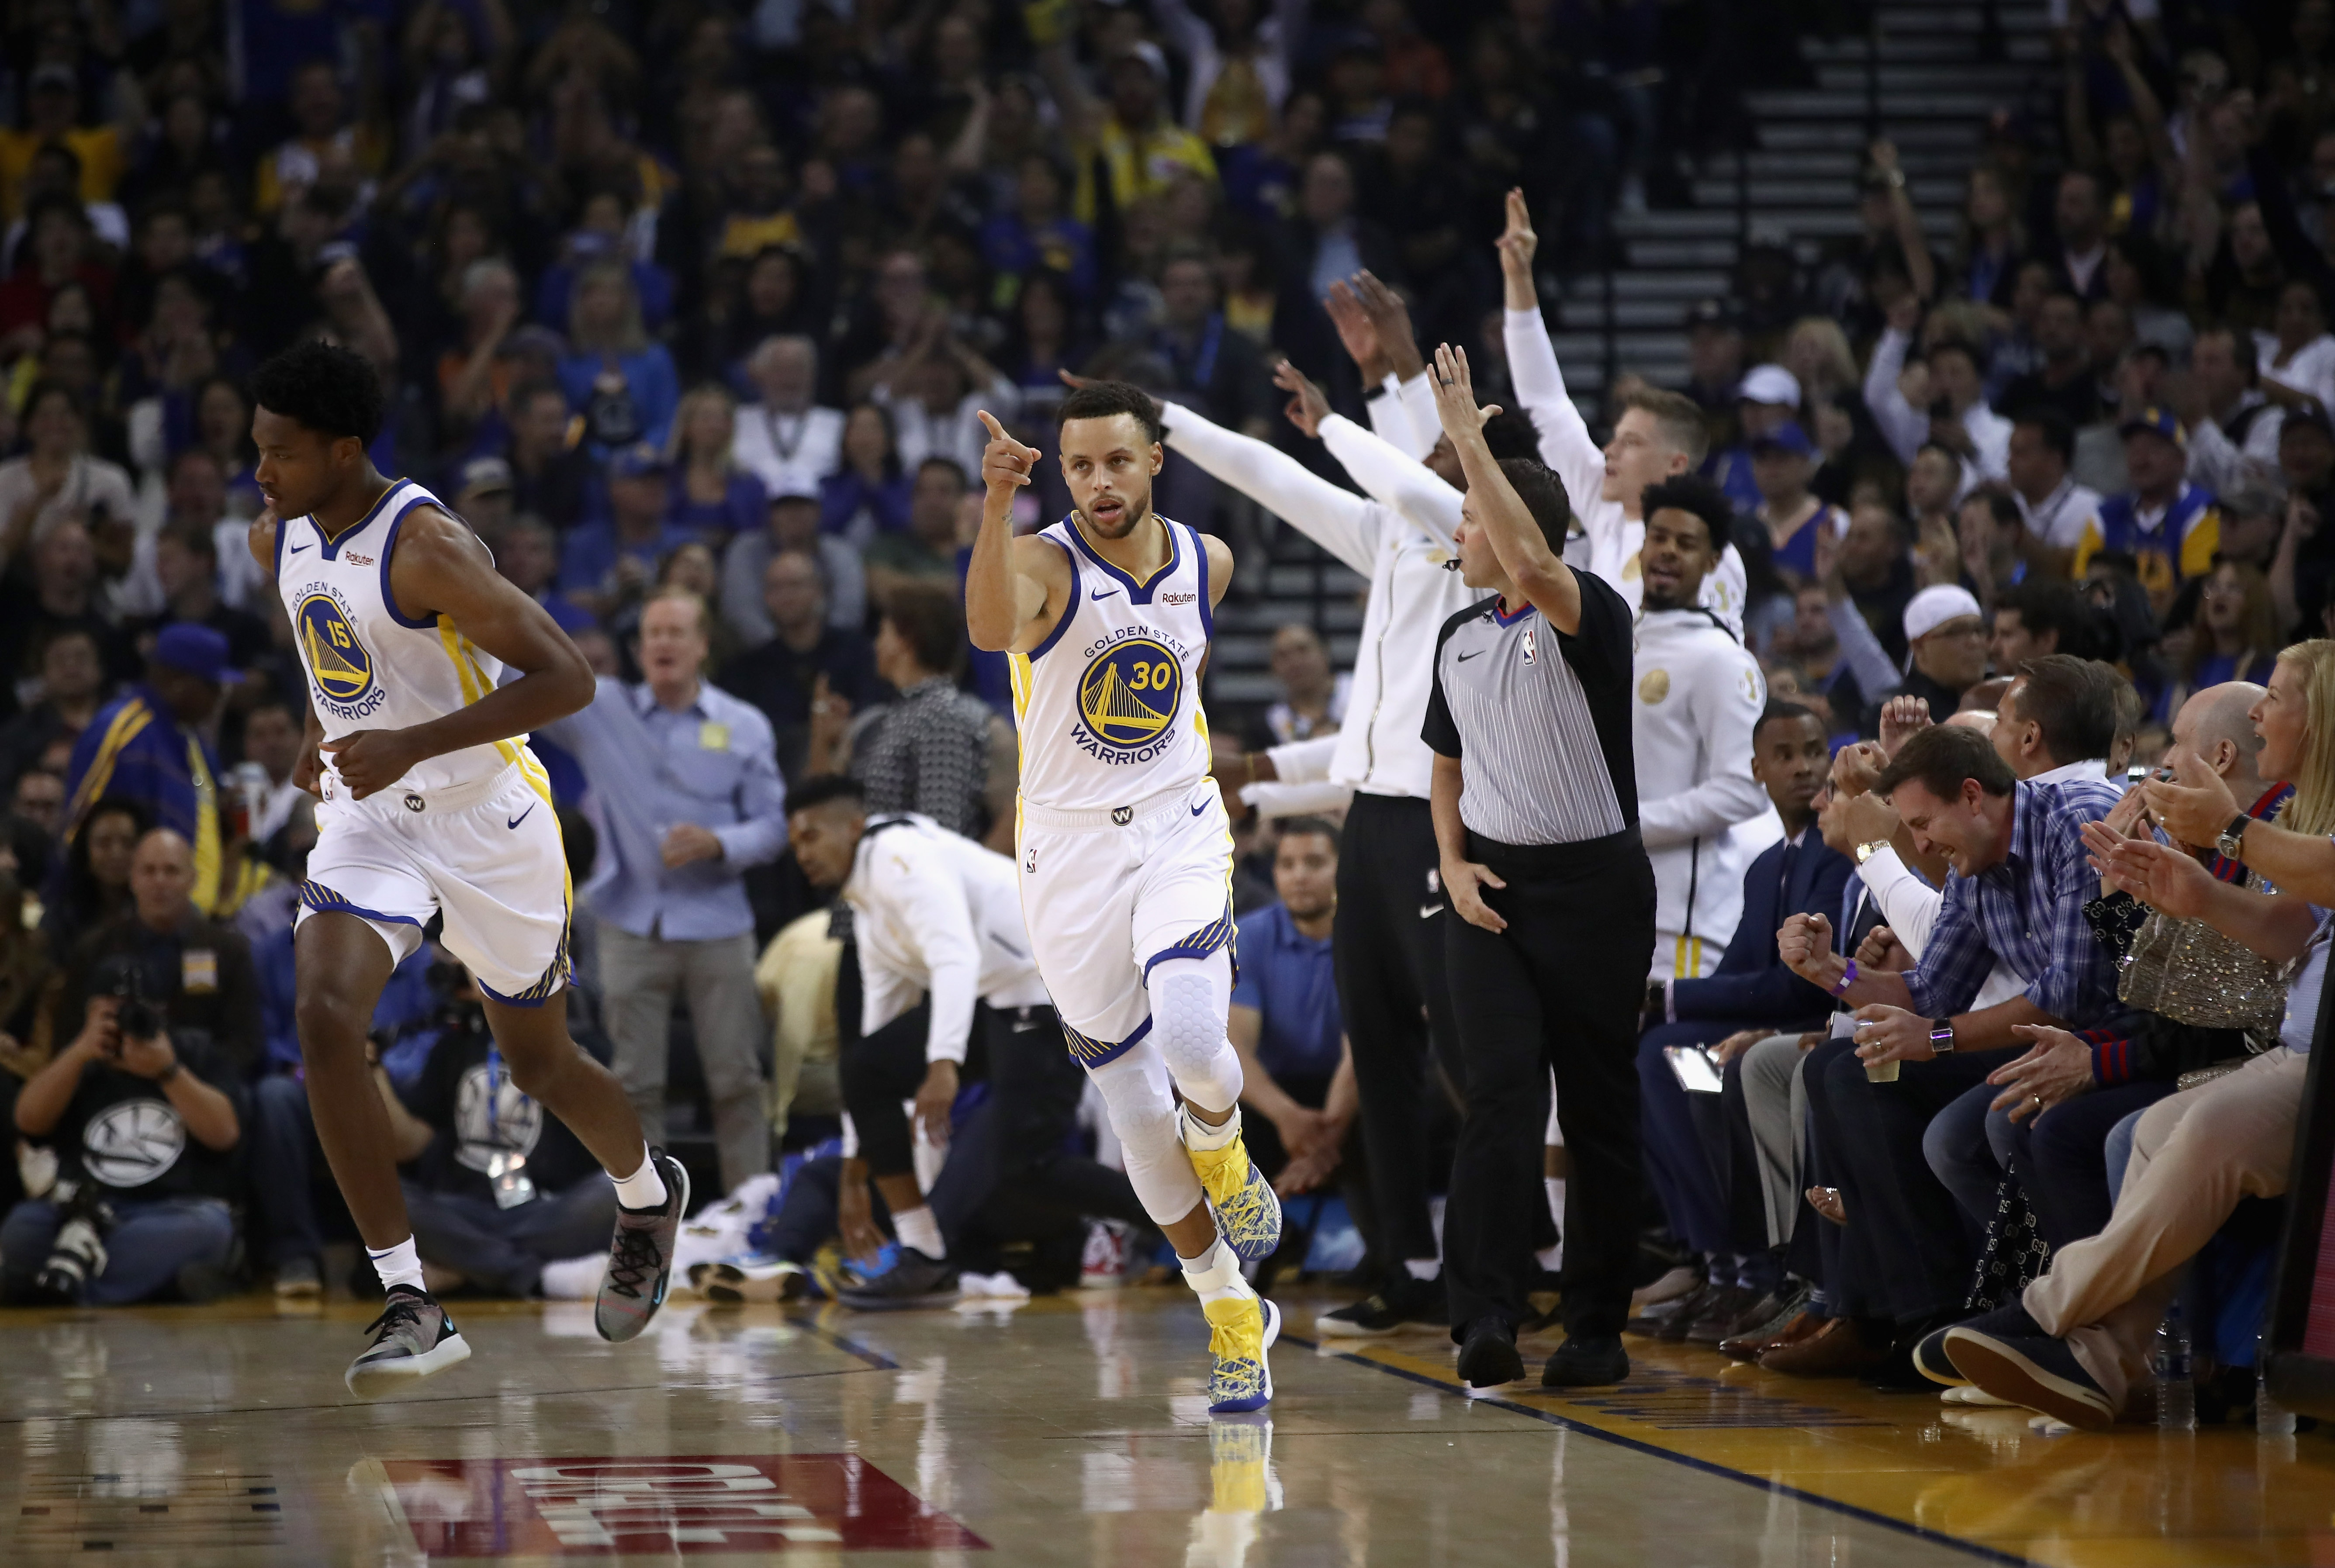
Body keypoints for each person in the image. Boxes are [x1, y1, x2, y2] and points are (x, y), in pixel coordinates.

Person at [245, 339, 685, 1397]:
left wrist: (411, 740)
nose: (260, 471)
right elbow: (334, 651)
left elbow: (567, 677)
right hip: (370, 817)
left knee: (538, 1063)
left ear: (345, 450)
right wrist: (326, 725)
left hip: (487, 818)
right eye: (256, 449)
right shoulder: (281, 533)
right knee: (324, 1015)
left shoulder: (428, 544)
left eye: (282, 452)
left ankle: (644, 1190)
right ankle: (411, 1296)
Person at [965, 380, 1283, 1415]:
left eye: (1116, 461)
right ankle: (1229, 1306)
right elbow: (982, 627)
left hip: (1175, 826)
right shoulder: (1043, 563)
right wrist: (992, 506)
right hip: (1062, 856)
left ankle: (1226, 1146)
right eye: (1079, 466)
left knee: (1194, 1039)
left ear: (1156, 460)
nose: (1098, 482)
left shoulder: (1208, 560)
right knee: (1137, 1112)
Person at [1930, 646, 2335, 1428]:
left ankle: (2043, 1311)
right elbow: (2272, 939)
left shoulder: (2262, 826)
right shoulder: (2283, 821)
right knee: (2142, 1132)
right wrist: (2190, 893)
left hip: (2283, 1056)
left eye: (2275, 699)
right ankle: (2097, 1362)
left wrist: (2226, 843)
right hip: (2281, 1050)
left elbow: (2213, 1001)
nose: (2259, 715)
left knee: (2150, 1128)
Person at [1155, 364, 1479, 1338]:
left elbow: (1405, 478)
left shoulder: (1482, 541)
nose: (1415, 457)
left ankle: (1497, 1263)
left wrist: (1339, 419)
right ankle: (1402, 1265)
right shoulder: (1389, 535)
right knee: (1375, 1048)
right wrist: (1164, 417)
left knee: (1464, 1061)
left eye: (1437, 442)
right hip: (1372, 825)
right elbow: (1268, 477)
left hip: (1444, 820)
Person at [1421, 342, 1656, 1391]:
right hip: (1493, 894)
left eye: (1469, 514)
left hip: (1597, 892)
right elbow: (1443, 769)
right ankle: (1482, 1311)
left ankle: (1596, 1322)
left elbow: (1530, 565)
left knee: (1598, 1108)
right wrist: (1453, 864)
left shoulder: (1588, 609)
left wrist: (1471, 434)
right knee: (1500, 1096)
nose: (1457, 532)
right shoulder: (1456, 637)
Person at [1777, 722, 2124, 1380]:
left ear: (1972, 796)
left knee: (1967, 1130)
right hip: (2045, 1042)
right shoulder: (1975, 864)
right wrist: (1830, 971)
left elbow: (2073, 993)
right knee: (1846, 1072)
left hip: (2118, 1039)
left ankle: (2027, 1311)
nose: (1919, 842)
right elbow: (1934, 989)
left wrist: (1936, 1039)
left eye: (1921, 822)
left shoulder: (2071, 825)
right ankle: (1924, 1320)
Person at [789, 775, 1152, 1304]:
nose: (802, 853)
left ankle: (1200, 1220)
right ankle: (924, 1253)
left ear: (853, 827)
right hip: (1004, 998)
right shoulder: (867, 902)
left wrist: (942, 1064)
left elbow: (955, 954)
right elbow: (877, 1035)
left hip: (1057, 988)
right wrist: (853, 1164)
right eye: (795, 844)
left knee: (1028, 1164)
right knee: (866, 1066)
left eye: (811, 836)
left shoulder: (898, 858)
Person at [538, 587, 785, 1195]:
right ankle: (647, 1218)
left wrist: (720, 842)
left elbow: (775, 827)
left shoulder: (743, 725)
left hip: (718, 922)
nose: (663, 644)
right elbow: (531, 678)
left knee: (737, 1078)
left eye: (677, 633)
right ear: (639, 648)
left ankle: (749, 1214)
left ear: (702, 645)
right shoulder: (601, 711)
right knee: (632, 1084)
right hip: (630, 922)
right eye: (653, 634)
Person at [1635, 703, 1849, 1344]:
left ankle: (1748, 1263)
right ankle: (1715, 1260)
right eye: (1785, 756)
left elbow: (1794, 982)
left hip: (1820, 1022)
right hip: (1772, 1027)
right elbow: (1738, 974)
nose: (1804, 766)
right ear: (1758, 770)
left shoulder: (1834, 855)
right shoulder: (1767, 864)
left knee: (1673, 1056)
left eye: (1813, 750)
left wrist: (1663, 994)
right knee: (1658, 1053)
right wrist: (1660, 1001)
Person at [1494, 190, 1746, 622]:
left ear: (1675, 464)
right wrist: (1519, 280)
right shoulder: (1606, 506)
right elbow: (1546, 405)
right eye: (1614, 439)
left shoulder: (1707, 553)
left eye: (1630, 442)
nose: (1608, 450)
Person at [6, 858, 247, 1306]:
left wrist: (167, 1071)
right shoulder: (81, 1056)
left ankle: (68, 1279)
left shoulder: (188, 1050)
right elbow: (29, 1120)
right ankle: (145, 1282)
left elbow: (225, 1132)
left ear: (160, 1010)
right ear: (90, 1010)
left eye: (134, 1011)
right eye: (110, 1011)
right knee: (21, 1227)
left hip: (165, 1208)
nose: (123, 1023)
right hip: (86, 1207)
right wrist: (80, 1051)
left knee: (211, 1228)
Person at [373, 963, 624, 1301]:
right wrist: (372, 1071)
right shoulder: (454, 1044)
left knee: (612, 1191)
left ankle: (469, 1268)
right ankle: (537, 1278)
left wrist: (521, 1012)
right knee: (379, 1196)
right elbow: (411, 1145)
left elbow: (607, 1135)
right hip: (462, 1210)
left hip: (546, 1211)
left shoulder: (575, 1044)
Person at [1632, 475, 1773, 983]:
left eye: (1686, 543)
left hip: (1679, 925)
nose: (1667, 551)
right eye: (1658, 537)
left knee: (1663, 1061)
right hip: (1605, 902)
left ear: (1712, 562)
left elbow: (1744, 790)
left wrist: (1630, 827)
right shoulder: (1623, 640)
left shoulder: (1718, 658)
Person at [1227, 817, 1363, 1215]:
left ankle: (1399, 1255)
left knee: (1388, 1104)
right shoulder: (1247, 936)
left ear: (1345, 867)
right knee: (1218, 1112)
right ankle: (1243, 1250)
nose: (1299, 876)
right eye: (1287, 865)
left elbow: (1362, 1052)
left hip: (1352, 1089)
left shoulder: (1368, 935)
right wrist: (1288, 1118)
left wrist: (1327, 1138)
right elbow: (1235, 1048)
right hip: (1276, 1095)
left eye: (1315, 862)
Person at [55, 625, 238, 918]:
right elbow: (78, 828)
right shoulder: (122, 729)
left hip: (189, 924)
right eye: (212, 686)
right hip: (121, 923)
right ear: (178, 682)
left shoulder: (192, 742)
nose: (219, 697)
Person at [2073, 408, 2220, 613]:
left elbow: (2196, 593)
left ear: (2182, 459)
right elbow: (2083, 584)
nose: (2141, 460)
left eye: (2154, 449)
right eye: (2134, 449)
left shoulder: (2202, 511)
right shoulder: (2105, 516)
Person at [730, 337, 847, 503]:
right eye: (780, 369)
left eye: (798, 369)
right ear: (761, 375)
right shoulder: (736, 422)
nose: (790, 378)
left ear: (813, 375)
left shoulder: (839, 424)